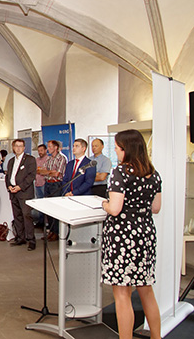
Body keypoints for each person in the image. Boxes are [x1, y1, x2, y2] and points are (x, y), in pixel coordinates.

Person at [101, 129, 162, 339]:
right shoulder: (153, 173)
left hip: (122, 236)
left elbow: (115, 209)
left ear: (126, 150)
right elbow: (156, 207)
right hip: (145, 235)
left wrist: (104, 204)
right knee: (146, 290)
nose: (116, 153)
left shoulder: (120, 172)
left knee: (122, 293)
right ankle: (156, 336)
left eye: (118, 149)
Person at [5, 139, 38, 250]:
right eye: (16, 146)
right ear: (13, 148)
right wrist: (9, 186)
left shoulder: (30, 160)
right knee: (17, 216)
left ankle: (31, 239)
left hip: (24, 192)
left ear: (24, 148)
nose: (18, 148)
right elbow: (8, 176)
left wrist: (20, 187)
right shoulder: (10, 161)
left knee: (26, 216)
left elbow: (31, 176)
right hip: (13, 192)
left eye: (20, 146)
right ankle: (20, 238)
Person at [33, 144, 49, 227]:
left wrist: (40, 171)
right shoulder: (36, 160)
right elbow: (34, 170)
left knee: (46, 203)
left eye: (41, 150)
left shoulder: (48, 159)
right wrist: (40, 171)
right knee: (39, 203)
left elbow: (46, 171)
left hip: (45, 183)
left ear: (46, 150)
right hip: (37, 183)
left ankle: (47, 222)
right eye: (39, 151)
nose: (40, 152)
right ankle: (41, 221)